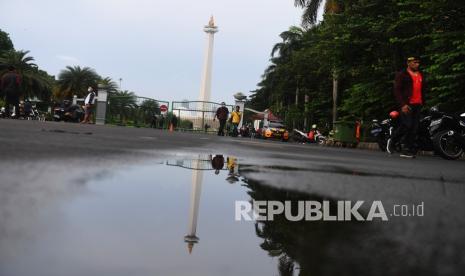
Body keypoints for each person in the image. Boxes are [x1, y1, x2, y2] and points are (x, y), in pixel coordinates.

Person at [390, 56, 426, 158]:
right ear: (408, 63)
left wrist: (423, 102)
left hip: (418, 104)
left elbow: (422, 89)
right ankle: (395, 142)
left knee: (414, 128)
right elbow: (397, 91)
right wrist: (403, 105)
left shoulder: (420, 74)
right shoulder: (402, 75)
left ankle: (407, 148)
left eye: (418, 63)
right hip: (407, 104)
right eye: (415, 62)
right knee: (407, 125)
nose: (417, 64)